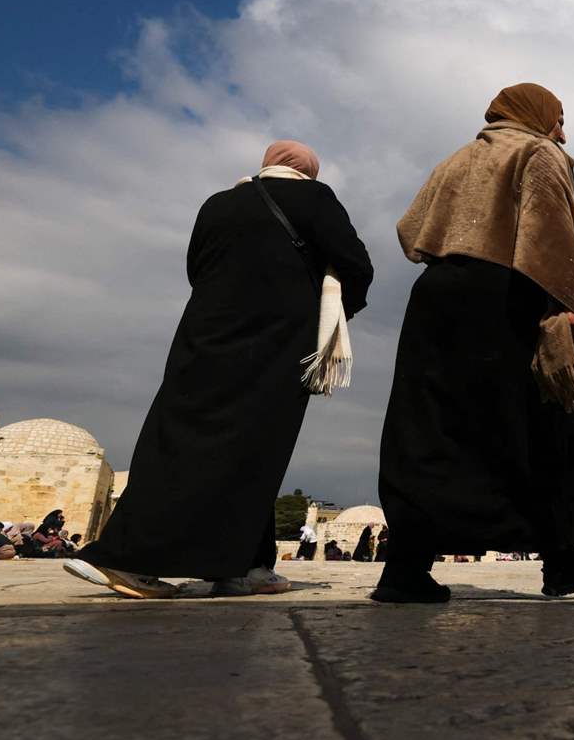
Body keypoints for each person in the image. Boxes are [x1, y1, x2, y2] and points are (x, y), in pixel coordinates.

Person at [68, 140, 373, 601]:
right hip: (275, 338)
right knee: (258, 444)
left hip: (206, 332)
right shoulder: (315, 198)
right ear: (308, 171)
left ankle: (245, 565)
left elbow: (197, 266)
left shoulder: (219, 203)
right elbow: (355, 262)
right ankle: (128, 557)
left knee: (188, 437)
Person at [375, 84, 574, 603]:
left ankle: (404, 570)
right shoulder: (538, 152)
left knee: (430, 428)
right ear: (537, 117)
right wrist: (567, 307)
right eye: (559, 118)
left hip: (436, 296)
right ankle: (562, 564)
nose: (563, 130)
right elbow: (551, 234)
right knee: (548, 421)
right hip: (508, 291)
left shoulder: (458, 158)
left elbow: (410, 229)